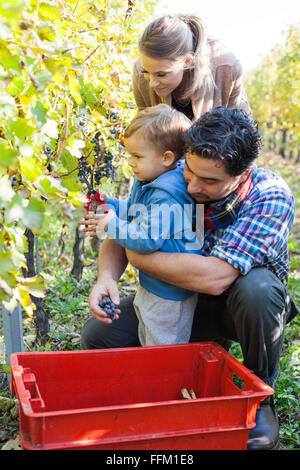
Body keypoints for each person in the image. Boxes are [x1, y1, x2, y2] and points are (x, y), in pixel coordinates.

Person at [81, 106, 298, 450]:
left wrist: (138, 254)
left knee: (257, 289)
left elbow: (215, 279)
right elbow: (134, 220)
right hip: (180, 296)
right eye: (190, 172)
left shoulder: (270, 196)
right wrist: (106, 277)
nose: (194, 186)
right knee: (100, 335)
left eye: (210, 181)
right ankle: (187, 364)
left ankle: (258, 395)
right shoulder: (175, 170)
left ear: (243, 175)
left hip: (234, 307)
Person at [82, 104, 203, 346]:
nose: (130, 162)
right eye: (129, 155)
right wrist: (112, 206)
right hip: (156, 285)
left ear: (167, 158)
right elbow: (140, 211)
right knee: (149, 340)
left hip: (170, 295)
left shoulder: (167, 192)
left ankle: (165, 384)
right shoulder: (152, 177)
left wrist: (112, 225)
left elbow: (148, 239)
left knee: (161, 351)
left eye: (137, 156)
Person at [133, 13, 251, 120]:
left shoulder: (226, 67)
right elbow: (143, 126)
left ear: (187, 61)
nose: (152, 83)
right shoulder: (139, 70)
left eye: (161, 74)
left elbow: (242, 129)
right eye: (146, 72)